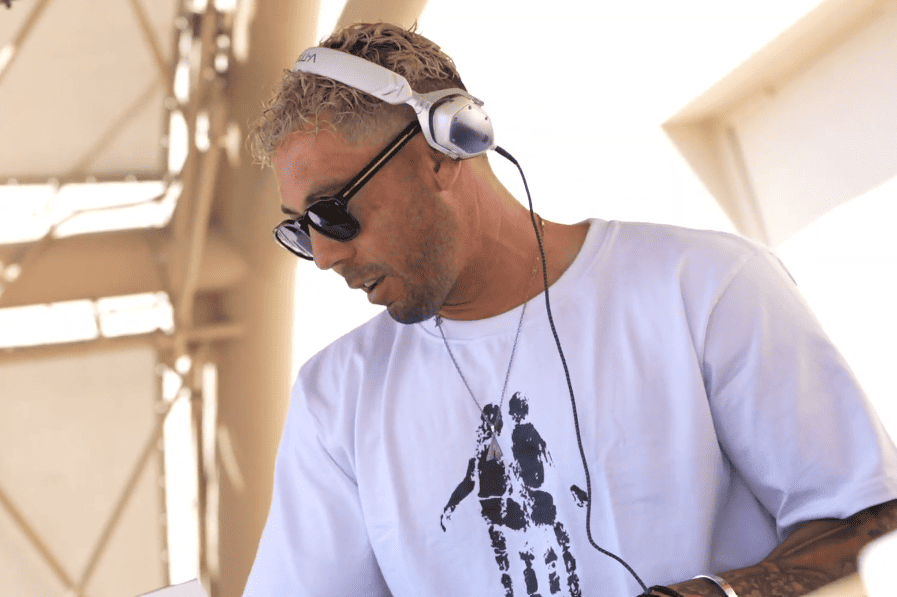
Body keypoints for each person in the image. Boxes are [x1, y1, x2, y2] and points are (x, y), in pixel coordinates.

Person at [242, 22, 897, 597]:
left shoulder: (703, 286)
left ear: (440, 151)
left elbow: (873, 522)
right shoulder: (334, 399)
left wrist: (717, 593)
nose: (323, 255)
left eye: (332, 211)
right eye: (299, 229)